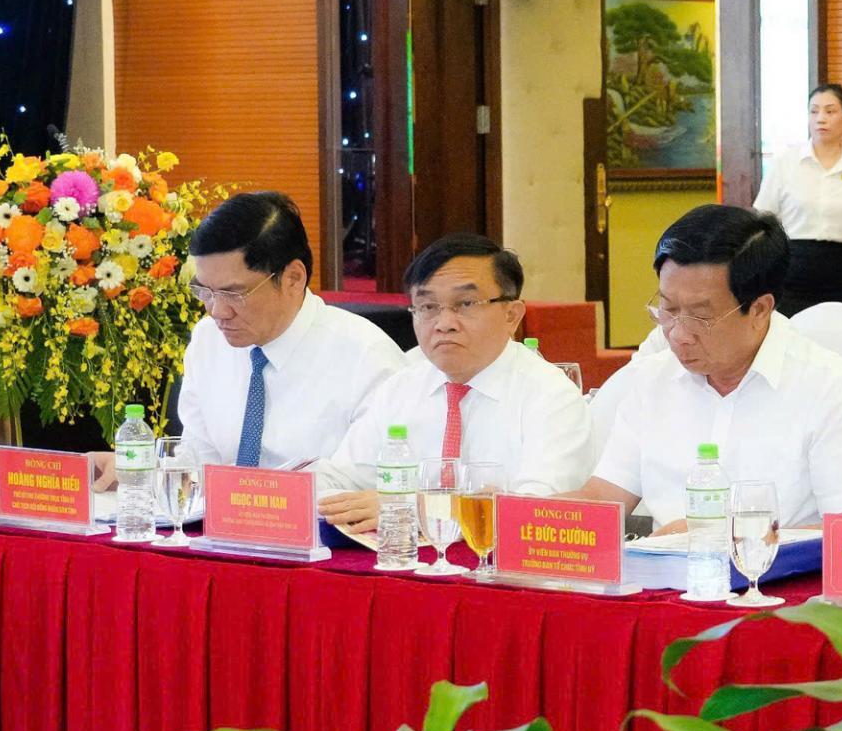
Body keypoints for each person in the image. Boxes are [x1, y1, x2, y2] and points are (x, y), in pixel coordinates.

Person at [576, 205, 842, 528]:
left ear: (760, 309)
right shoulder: (653, 378)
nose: (678, 334)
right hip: (661, 561)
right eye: (668, 309)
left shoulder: (832, 388)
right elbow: (602, 497)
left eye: (700, 317)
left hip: (774, 563)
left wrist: (718, 538)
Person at [92, 192, 405, 489]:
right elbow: (199, 462)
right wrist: (144, 472)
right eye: (205, 291)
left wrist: (250, 496)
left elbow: (362, 483)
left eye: (234, 293)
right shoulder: (208, 339)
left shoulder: (367, 357)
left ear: (293, 278)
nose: (217, 311)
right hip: (219, 524)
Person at [314, 234, 596, 529]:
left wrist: (414, 508)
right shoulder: (401, 388)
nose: (444, 323)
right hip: (403, 553)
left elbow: (536, 511)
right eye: (427, 307)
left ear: (512, 316)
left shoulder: (552, 397)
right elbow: (340, 477)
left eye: (466, 303)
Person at [751, 83, 842, 314]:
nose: (821, 119)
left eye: (830, 111)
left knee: (838, 329)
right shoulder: (786, 162)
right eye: (814, 111)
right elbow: (762, 219)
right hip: (791, 265)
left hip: (839, 268)